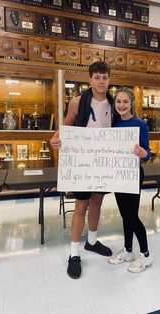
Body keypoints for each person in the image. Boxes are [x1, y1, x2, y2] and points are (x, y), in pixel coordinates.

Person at [50, 61, 113, 279]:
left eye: (104, 77)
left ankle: (92, 242)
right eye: (97, 77)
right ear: (90, 80)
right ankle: (74, 253)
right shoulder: (77, 102)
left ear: (109, 79)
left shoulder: (113, 103)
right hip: (83, 162)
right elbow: (66, 127)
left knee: (98, 201)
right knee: (80, 207)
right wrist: (56, 139)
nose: (101, 81)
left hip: (103, 161)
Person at [108, 87, 153, 273]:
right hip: (118, 174)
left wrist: (143, 153)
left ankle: (146, 255)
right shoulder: (113, 123)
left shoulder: (140, 124)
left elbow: (147, 153)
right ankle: (128, 251)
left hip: (133, 175)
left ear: (131, 103)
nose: (121, 105)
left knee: (132, 216)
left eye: (125, 101)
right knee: (125, 215)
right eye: (118, 101)